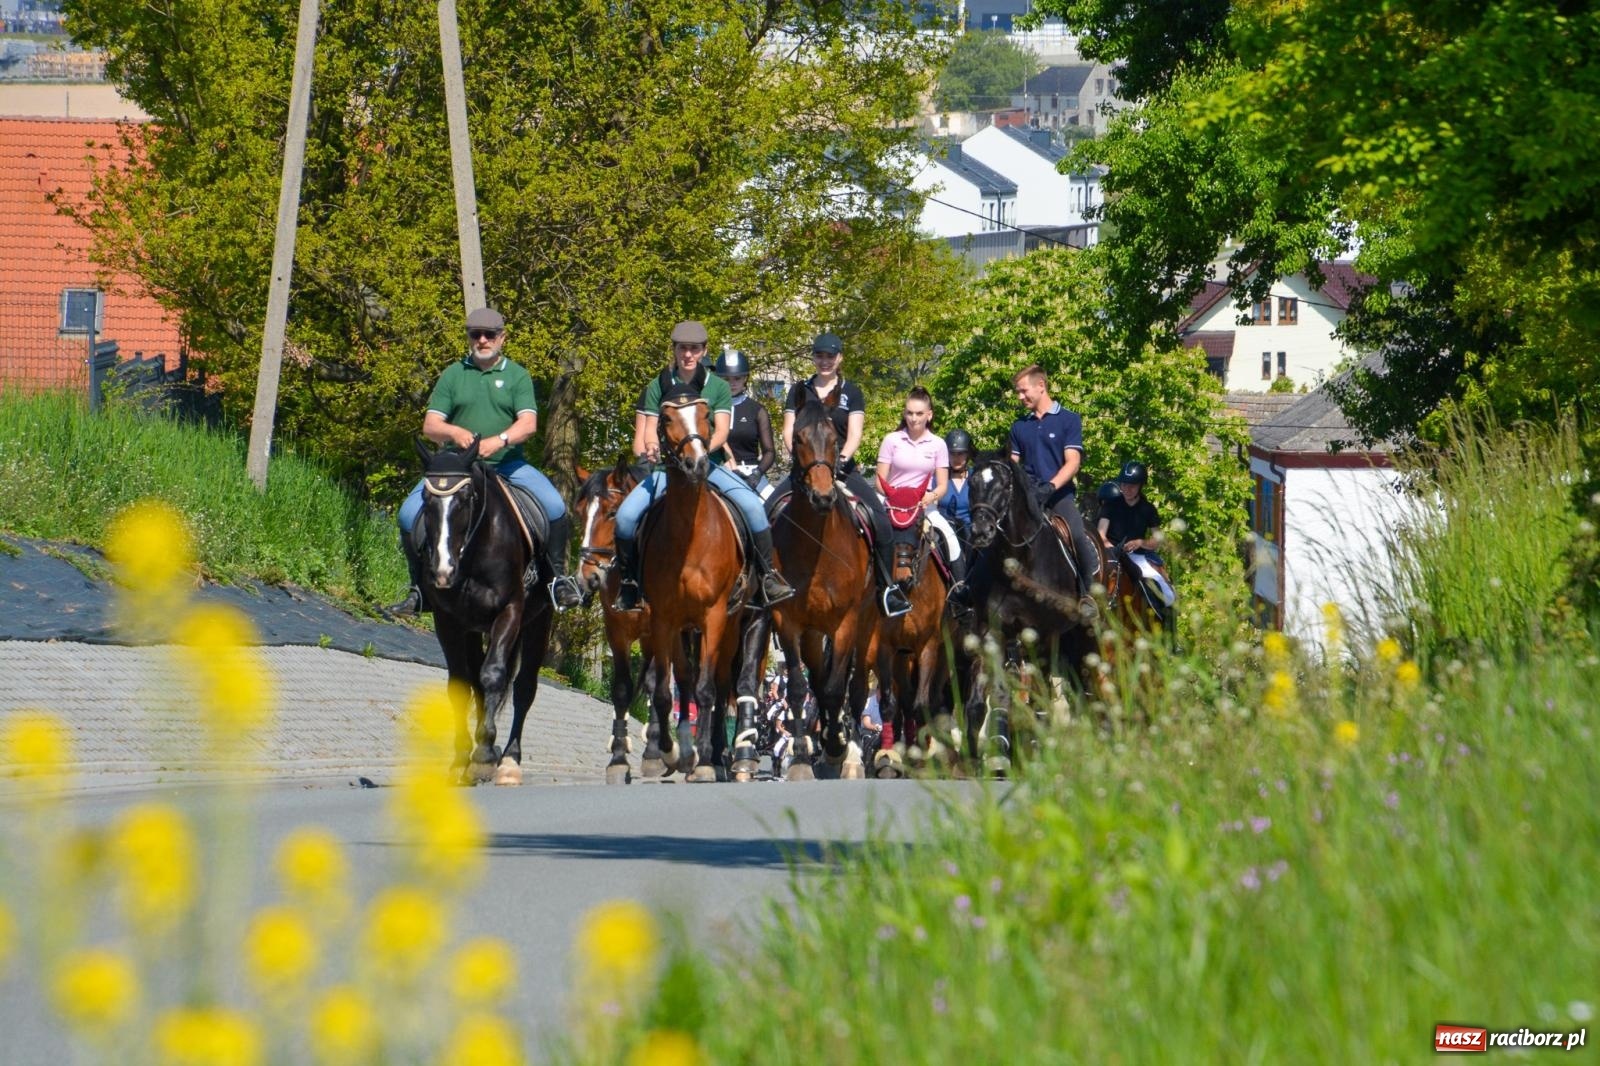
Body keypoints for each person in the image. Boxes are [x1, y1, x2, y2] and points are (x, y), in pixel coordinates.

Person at [390, 307, 583, 615]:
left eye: (489, 335)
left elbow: (528, 424)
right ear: (469, 338)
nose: (482, 340)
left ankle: (557, 581)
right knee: (407, 513)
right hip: (457, 469)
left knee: (554, 506)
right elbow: (431, 425)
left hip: (508, 465)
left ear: (502, 338)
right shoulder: (453, 374)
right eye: (476, 334)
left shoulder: (517, 375)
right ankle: (419, 590)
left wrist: (499, 440)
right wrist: (455, 432)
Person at [612, 321, 796, 612]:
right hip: (666, 471)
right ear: (674, 350)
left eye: (694, 349)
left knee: (753, 508)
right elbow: (646, 432)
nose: (688, 354)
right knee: (625, 517)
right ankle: (629, 584)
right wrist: (651, 447)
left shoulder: (718, 386)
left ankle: (767, 578)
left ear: (704, 350)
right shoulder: (657, 385)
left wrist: (696, 453)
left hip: (709, 466)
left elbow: (721, 431)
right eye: (683, 348)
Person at [779, 331, 912, 618]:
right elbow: (788, 430)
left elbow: (854, 434)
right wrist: (802, 461)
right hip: (804, 469)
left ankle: (887, 589)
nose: (824, 361)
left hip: (841, 468)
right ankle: (765, 583)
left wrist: (839, 461)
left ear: (839, 358)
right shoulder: (799, 391)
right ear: (813, 358)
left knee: (880, 520)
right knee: (767, 513)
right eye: (819, 356)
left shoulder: (852, 392)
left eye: (830, 356)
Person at [1008, 364, 1100, 619]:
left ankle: (1088, 594)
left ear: (1041, 386)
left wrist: (1049, 487)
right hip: (1028, 498)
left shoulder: (1068, 419)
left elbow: (1073, 462)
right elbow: (1012, 464)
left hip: (1059, 496)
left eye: (1023, 391)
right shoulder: (1019, 426)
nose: (1020, 397)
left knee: (1078, 535)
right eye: (1018, 392)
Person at [875, 386, 965, 598]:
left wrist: (930, 497)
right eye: (909, 413)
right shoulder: (891, 440)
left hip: (924, 506)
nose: (913, 419)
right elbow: (880, 481)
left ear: (929, 415)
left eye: (919, 413)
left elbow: (942, 485)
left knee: (951, 541)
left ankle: (959, 596)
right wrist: (897, 498)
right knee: (867, 533)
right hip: (892, 505)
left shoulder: (938, 444)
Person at [1098, 460, 1176, 614]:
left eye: (1132, 485)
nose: (1127, 489)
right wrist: (1113, 549)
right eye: (1124, 484)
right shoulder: (1110, 505)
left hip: (1137, 557)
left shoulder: (1148, 509)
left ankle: (1161, 622)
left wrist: (1141, 542)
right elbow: (1101, 534)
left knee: (1167, 594)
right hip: (1111, 555)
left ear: (1140, 486)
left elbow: (1157, 540)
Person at [715, 348, 776, 498]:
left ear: (745, 378)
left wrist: (757, 473)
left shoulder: (757, 410)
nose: (732, 383)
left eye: (737, 378)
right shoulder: (712, 409)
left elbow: (769, 451)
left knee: (777, 505)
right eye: (726, 379)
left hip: (751, 473)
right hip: (720, 471)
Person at [938, 428, 974, 546]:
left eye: (960, 453)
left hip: (971, 535)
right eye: (952, 453)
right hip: (944, 537)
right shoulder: (938, 478)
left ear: (968, 454)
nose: (956, 458)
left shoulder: (976, 477)